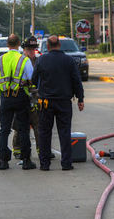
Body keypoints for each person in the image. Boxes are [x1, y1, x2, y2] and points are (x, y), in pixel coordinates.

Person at [32, 35, 84, 171]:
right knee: (64, 132)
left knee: (44, 132)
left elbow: (33, 79)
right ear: (60, 45)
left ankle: (45, 164)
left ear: (47, 46)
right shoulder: (69, 60)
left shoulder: (42, 60)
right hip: (64, 102)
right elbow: (76, 80)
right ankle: (66, 163)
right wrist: (81, 99)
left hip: (46, 102)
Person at [0, 34, 36, 171]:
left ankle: (3, 161)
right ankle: (26, 160)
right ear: (18, 45)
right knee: (23, 128)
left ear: (7, 45)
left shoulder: (0, 60)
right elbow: (32, 78)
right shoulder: (24, 60)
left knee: (4, 130)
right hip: (21, 96)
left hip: (5, 97)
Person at [11, 36, 49, 159]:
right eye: (29, 49)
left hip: (36, 98)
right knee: (20, 126)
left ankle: (41, 150)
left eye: (33, 49)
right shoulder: (19, 61)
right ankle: (17, 150)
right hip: (21, 97)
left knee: (39, 126)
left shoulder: (39, 61)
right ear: (23, 49)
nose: (31, 51)